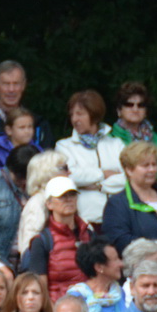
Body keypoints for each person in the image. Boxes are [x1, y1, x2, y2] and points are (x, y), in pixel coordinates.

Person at [102, 140, 157, 262]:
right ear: (129, 170)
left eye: (154, 164)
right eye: (145, 166)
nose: (152, 170)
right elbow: (120, 242)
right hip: (143, 269)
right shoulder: (117, 204)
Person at [109, 81, 157, 210]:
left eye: (141, 105)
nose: (135, 109)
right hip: (131, 205)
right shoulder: (111, 140)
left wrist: (142, 173)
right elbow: (113, 176)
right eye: (129, 104)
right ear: (119, 110)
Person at [53, 90, 123, 226]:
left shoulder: (116, 144)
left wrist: (98, 186)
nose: (74, 119)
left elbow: (128, 178)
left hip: (119, 218)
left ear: (94, 115)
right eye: (72, 115)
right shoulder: (64, 146)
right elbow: (70, 177)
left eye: (80, 114)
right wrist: (103, 174)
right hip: (86, 221)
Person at [21, 176, 90, 302]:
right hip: (58, 307)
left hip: (90, 306)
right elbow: (40, 288)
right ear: (49, 204)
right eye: (62, 196)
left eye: (72, 195)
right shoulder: (41, 241)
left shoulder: (89, 235)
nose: (68, 199)